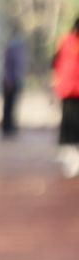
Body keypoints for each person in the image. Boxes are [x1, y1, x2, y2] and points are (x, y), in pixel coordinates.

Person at [55, 14, 79, 179]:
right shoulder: (66, 41)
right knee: (68, 120)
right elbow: (56, 62)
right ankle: (68, 150)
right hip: (68, 89)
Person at [0, 27, 28, 139]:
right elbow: (7, 66)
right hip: (9, 81)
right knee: (8, 105)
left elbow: (20, 67)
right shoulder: (11, 48)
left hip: (16, 80)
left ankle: (11, 126)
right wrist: (9, 80)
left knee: (13, 105)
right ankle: (6, 127)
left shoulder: (19, 49)